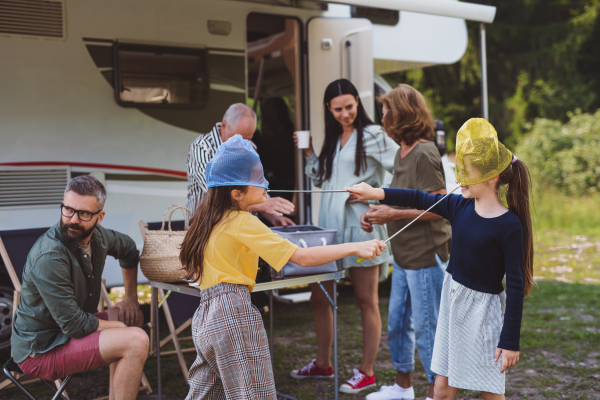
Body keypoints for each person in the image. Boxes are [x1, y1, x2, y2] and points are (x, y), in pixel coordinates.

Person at [179, 134, 386, 400]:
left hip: (206, 315)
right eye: (257, 181)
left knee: (206, 395)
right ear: (236, 193)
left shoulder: (209, 219)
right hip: (233, 312)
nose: (265, 185)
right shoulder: (243, 221)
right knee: (254, 394)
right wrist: (355, 247)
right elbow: (302, 257)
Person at [347, 118, 534, 400]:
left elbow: (516, 287)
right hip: (453, 303)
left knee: (490, 392)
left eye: (466, 173)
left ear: (491, 177)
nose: (458, 180)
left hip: (484, 314)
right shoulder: (458, 205)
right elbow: (417, 197)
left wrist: (510, 342)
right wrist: (376, 192)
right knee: (443, 389)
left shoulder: (509, 225)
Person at [291, 79, 399, 394]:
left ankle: (367, 371)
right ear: (329, 109)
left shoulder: (374, 135)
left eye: (349, 107)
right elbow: (323, 179)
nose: (344, 114)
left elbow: (401, 168)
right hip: (330, 229)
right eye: (338, 109)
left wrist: (379, 199)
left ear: (357, 103)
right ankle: (323, 364)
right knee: (320, 297)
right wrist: (310, 151)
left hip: (361, 225)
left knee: (366, 300)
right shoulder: (334, 138)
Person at [11, 175, 148, 400]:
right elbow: (75, 325)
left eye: (84, 214)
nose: (73, 220)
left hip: (67, 334)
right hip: (41, 350)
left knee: (132, 317)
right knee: (136, 339)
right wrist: (117, 326)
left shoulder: (99, 237)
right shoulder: (50, 255)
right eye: (68, 209)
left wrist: (131, 298)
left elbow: (129, 250)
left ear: (99, 217)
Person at [362, 84, 451, 400]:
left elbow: (440, 207)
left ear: (400, 112)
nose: (381, 115)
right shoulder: (402, 152)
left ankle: (434, 392)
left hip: (426, 255)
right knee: (398, 324)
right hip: (403, 256)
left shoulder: (425, 152)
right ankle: (403, 388)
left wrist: (392, 215)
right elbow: (400, 198)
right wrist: (376, 212)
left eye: (385, 109)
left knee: (428, 331)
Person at [186, 103, 295, 226]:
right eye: (238, 139)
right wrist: (263, 205)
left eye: (247, 139)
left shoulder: (250, 147)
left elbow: (256, 186)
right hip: (207, 229)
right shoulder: (202, 148)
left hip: (243, 228)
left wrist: (273, 217)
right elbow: (215, 193)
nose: (243, 145)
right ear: (224, 126)